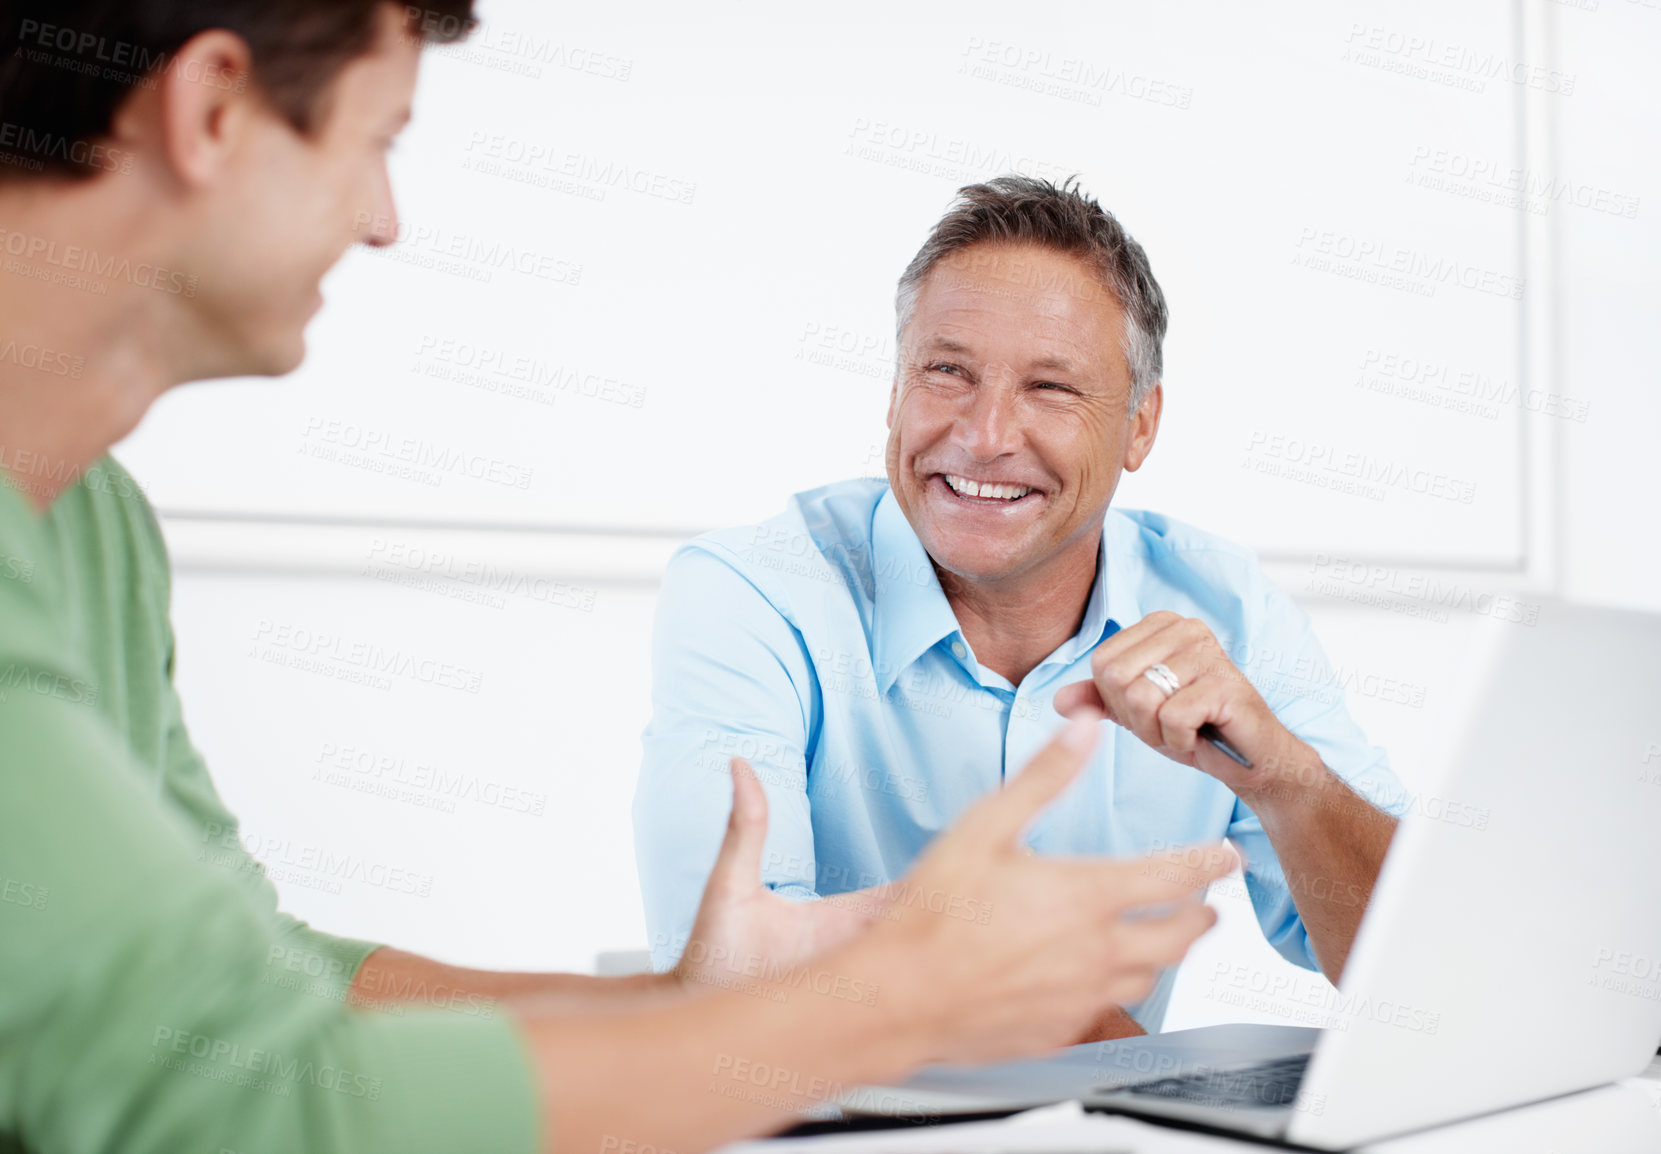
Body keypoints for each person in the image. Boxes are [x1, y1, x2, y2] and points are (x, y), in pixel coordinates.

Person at [0, 6, 1240, 1153]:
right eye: (375, 138)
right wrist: (883, 1008)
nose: (383, 216)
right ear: (212, 110)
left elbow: (244, 987)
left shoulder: (92, 524)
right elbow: (246, 1103)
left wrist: (679, 1000)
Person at [635, 177, 1410, 1039]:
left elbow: (1414, 964)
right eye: (946, 371)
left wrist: (1290, 784)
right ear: (895, 393)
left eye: (1051, 388)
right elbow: (730, 963)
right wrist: (1096, 1038)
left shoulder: (1229, 609)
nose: (984, 433)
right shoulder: (753, 592)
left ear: (1140, 426)